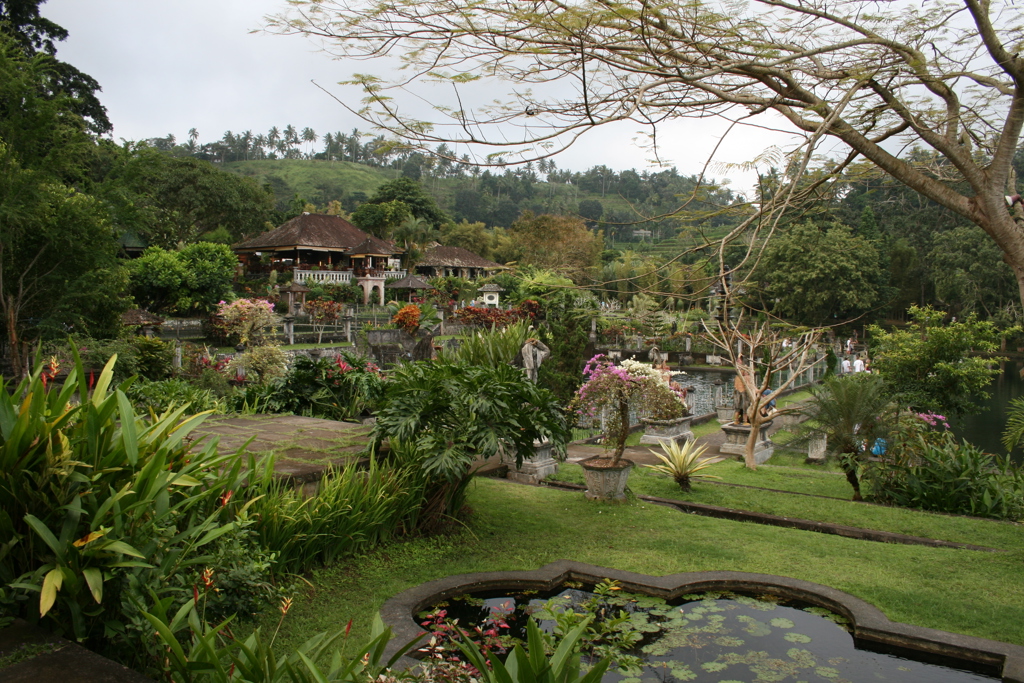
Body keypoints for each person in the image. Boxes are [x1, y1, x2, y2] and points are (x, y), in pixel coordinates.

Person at [733, 355, 753, 424]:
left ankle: (744, 421)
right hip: (740, 391)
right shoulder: (739, 375)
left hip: (744, 391)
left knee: (744, 407)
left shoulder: (745, 375)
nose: (738, 361)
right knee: (740, 407)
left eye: (739, 360)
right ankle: (739, 420)